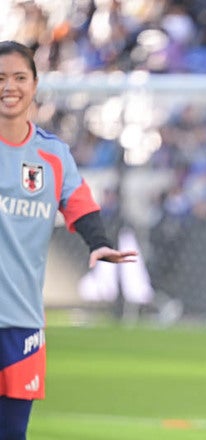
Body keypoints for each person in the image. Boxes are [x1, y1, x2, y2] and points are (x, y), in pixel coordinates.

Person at [0, 40, 137, 439]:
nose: (9, 86)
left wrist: (98, 242)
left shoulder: (53, 155)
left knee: (12, 432)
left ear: (34, 85)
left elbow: (79, 205)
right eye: (1, 78)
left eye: (19, 77)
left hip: (23, 320)